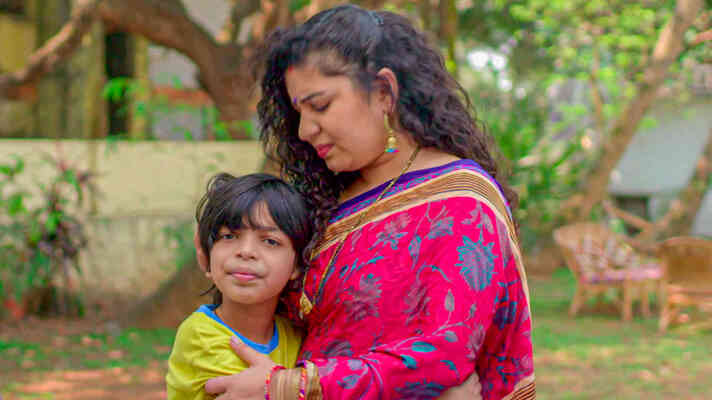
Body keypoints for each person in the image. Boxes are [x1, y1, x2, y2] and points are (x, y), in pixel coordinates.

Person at [197, 4, 535, 399]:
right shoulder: (324, 202)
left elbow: (444, 354)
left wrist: (292, 386)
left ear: (383, 92)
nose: (304, 130)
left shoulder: (461, 203)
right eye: (298, 112)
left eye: (320, 106)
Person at [167, 173, 311, 399]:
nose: (246, 251)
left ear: (296, 266)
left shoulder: (293, 334)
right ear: (206, 255)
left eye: (270, 241)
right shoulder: (200, 336)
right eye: (229, 236)